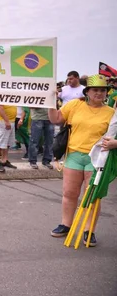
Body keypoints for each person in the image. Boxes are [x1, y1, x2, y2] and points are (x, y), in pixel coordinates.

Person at [48, 74, 113, 245]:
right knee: (69, 193)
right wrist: (50, 100)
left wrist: (114, 143)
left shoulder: (111, 113)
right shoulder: (75, 105)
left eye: (103, 90)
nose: (99, 93)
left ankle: (88, 230)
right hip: (74, 155)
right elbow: (55, 119)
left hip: (97, 158)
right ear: (87, 91)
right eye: (95, 90)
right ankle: (66, 225)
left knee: (91, 196)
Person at [0, 105, 18, 172]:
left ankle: (4, 160)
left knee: (6, 142)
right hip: (2, 121)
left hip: (11, 121)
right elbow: (0, 107)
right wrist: (6, 120)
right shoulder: (1, 95)